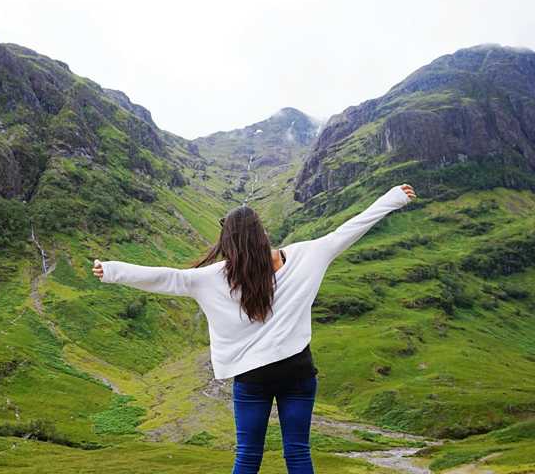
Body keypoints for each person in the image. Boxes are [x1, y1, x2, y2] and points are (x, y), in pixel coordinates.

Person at [92, 184, 417, 473]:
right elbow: (348, 231)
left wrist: (111, 270)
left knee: (248, 455)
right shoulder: (306, 255)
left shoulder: (210, 279)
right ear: (262, 232)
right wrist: (393, 199)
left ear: (227, 240)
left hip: (252, 380)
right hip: (298, 373)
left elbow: (167, 277)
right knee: (298, 453)